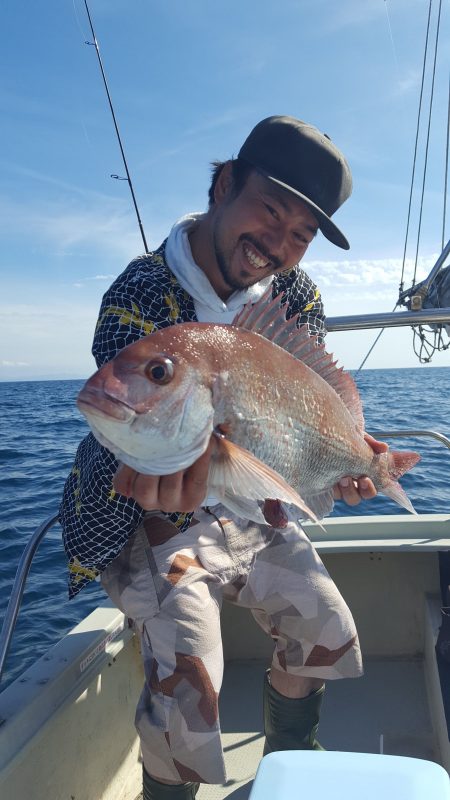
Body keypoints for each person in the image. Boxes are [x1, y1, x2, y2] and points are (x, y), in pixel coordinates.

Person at [60, 115, 388, 800]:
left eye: (301, 233)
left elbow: (310, 407)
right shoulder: (140, 290)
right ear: (224, 185)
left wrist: (344, 462)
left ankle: (291, 763)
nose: (278, 243)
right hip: (149, 512)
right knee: (191, 682)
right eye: (270, 210)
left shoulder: (297, 296)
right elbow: (131, 425)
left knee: (326, 626)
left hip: (252, 498)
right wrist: (155, 475)